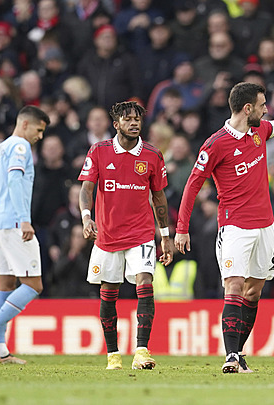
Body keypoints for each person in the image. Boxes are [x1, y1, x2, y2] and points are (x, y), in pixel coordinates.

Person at [174, 57, 274, 373]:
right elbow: (192, 185)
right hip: (235, 228)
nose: (266, 109)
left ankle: (239, 353)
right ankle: (230, 357)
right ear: (247, 109)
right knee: (234, 285)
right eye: (262, 105)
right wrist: (182, 227)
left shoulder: (260, 133)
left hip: (265, 227)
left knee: (254, 292)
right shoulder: (215, 144)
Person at [78, 101, 173, 370]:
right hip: (107, 235)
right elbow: (86, 190)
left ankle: (142, 351)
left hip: (141, 234)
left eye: (138, 119)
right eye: (128, 119)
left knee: (145, 283)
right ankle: (113, 355)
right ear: (116, 124)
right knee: (109, 291)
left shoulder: (152, 155)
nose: (134, 123)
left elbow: (159, 197)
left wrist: (164, 235)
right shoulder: (99, 151)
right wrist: (87, 218)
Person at [0, 106, 50, 365]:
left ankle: (1, 350)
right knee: (33, 285)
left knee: (4, 285)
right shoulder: (20, 147)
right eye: (39, 130)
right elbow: (15, 179)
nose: (40, 136)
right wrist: (24, 219)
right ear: (26, 124)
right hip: (15, 223)